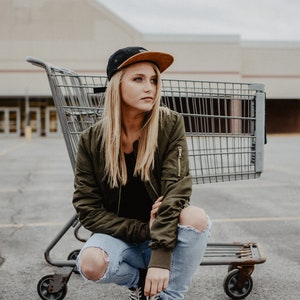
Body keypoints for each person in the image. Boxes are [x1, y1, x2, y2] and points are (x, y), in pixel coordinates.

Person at [73, 46, 211, 300]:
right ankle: (140, 282)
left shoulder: (170, 123)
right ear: (116, 85)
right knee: (90, 263)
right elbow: (87, 209)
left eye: (154, 80)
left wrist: (159, 256)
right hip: (122, 238)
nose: (150, 87)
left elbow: (177, 189)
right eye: (138, 79)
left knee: (195, 217)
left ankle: (168, 296)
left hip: (164, 235)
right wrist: (142, 230)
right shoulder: (91, 140)